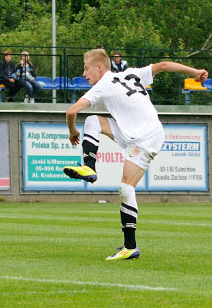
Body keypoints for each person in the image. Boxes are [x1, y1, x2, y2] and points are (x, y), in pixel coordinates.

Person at [62, 49, 208, 261]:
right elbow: (164, 66)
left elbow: (70, 112)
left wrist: (72, 131)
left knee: (125, 186)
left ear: (100, 67)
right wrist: (194, 72)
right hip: (132, 132)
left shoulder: (103, 84)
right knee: (93, 120)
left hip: (146, 137)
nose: (84, 74)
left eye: (86, 68)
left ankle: (130, 247)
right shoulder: (130, 73)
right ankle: (89, 167)